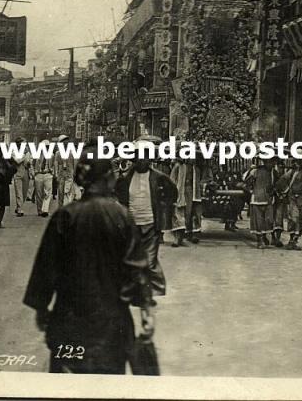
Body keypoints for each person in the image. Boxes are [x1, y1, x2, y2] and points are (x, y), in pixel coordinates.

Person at [23, 148, 155, 374]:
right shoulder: (122, 216)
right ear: (107, 179)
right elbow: (137, 267)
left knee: (66, 388)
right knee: (108, 385)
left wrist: (41, 308)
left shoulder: (65, 216)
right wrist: (145, 310)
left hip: (68, 321)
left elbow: (46, 268)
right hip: (112, 325)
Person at [115, 140, 177, 295]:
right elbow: (118, 196)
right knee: (131, 259)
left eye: (145, 157)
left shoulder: (159, 177)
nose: (142, 160)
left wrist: (163, 207)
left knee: (149, 261)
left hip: (150, 223)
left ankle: (153, 290)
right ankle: (135, 289)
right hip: (132, 224)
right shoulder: (126, 178)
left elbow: (172, 193)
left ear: (150, 159)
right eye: (139, 157)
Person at [169, 156, 212, 245]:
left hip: (192, 191)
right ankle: (178, 238)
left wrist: (203, 185)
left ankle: (191, 235)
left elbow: (204, 179)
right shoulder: (178, 166)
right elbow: (172, 180)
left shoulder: (196, 169)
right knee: (179, 213)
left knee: (191, 214)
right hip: (180, 191)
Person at [244, 158, 274, 249]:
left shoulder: (273, 172)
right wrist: (252, 190)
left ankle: (264, 236)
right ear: (265, 162)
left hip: (268, 200)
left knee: (268, 220)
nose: (272, 164)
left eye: (273, 162)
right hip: (257, 199)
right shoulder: (256, 171)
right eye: (270, 162)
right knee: (258, 221)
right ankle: (259, 240)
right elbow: (247, 181)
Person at [54, 135, 79, 207]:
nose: (65, 142)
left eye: (66, 140)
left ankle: (66, 209)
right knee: (60, 193)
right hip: (61, 174)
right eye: (63, 141)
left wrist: (74, 173)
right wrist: (56, 174)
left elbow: (75, 162)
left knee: (66, 192)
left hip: (69, 174)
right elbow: (56, 163)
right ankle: (61, 209)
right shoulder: (58, 153)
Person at [13, 137, 33, 217]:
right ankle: (19, 209)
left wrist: (30, 164)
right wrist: (24, 155)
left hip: (26, 172)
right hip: (17, 173)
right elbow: (17, 161)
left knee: (24, 193)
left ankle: (19, 206)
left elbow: (30, 161)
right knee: (19, 192)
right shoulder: (14, 151)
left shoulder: (27, 152)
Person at [34, 140, 54, 217]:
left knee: (48, 193)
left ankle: (45, 210)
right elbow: (32, 164)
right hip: (38, 175)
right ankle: (39, 210)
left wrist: (51, 171)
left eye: (47, 147)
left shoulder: (51, 155)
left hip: (47, 174)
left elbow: (53, 165)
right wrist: (34, 173)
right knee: (39, 194)